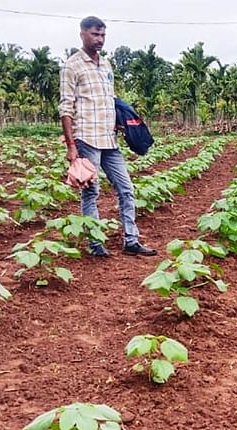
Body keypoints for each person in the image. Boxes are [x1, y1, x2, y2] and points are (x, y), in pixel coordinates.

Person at [58, 16, 156, 257]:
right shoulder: (72, 66)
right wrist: (71, 145)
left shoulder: (107, 64)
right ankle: (95, 244)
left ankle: (131, 241)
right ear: (82, 34)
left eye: (102, 35)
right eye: (95, 34)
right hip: (86, 138)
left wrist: (120, 123)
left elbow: (108, 101)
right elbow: (66, 108)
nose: (99, 39)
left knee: (126, 188)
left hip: (109, 139)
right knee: (91, 192)